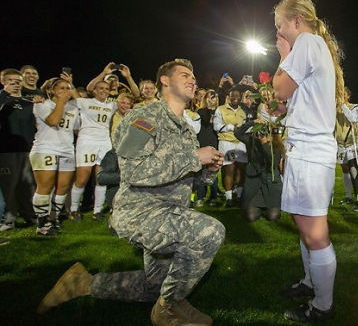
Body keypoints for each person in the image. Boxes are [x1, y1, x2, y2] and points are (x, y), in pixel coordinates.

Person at [37, 58, 225, 326]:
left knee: (155, 286)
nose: (192, 80)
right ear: (164, 80)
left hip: (171, 213)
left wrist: (209, 170)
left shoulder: (185, 130)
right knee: (209, 233)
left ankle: (82, 283)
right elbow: (134, 172)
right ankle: (169, 309)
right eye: (185, 75)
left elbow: (190, 177)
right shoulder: (143, 118)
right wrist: (194, 157)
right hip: (141, 212)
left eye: (193, 76)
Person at [271, 0, 342, 322]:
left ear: (296, 21)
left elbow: (279, 90)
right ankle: (310, 282)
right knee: (304, 225)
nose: (278, 34)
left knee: (315, 232)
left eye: (280, 26)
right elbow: (287, 104)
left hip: (312, 151)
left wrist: (283, 53)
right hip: (306, 149)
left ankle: (323, 305)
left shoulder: (306, 44)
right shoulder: (313, 47)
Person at [29, 74, 79, 235]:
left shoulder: (73, 108)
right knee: (45, 186)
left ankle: (54, 219)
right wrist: (61, 103)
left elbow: (77, 129)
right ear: (51, 90)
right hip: (45, 149)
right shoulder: (42, 104)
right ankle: (42, 224)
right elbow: (54, 121)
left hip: (67, 150)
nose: (66, 91)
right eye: (61, 88)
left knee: (63, 187)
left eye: (67, 88)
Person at [69, 79, 117, 222]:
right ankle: (73, 209)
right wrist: (103, 72)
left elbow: (134, 95)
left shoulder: (111, 105)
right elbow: (73, 91)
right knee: (82, 178)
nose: (103, 91)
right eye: (100, 88)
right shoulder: (85, 102)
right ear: (94, 90)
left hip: (104, 142)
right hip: (87, 142)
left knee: (101, 179)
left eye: (106, 89)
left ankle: (97, 211)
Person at [0, 69, 39, 231]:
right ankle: (9, 219)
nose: (15, 83)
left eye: (18, 80)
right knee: (9, 185)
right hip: (6, 149)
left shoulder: (29, 103)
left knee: (28, 184)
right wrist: (3, 94)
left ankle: (30, 215)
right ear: (3, 81)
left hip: (27, 149)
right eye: (11, 80)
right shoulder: (2, 99)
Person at [235, 118, 284, 221]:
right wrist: (253, 122)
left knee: (273, 216)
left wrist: (265, 145)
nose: (262, 134)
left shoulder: (276, 144)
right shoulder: (251, 141)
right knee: (251, 217)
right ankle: (256, 206)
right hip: (254, 182)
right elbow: (238, 134)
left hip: (270, 183)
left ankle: (269, 207)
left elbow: (273, 163)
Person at [214, 88, 247, 206]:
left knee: (241, 170)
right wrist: (231, 127)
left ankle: (238, 196)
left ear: (241, 97)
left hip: (241, 143)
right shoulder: (221, 109)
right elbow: (216, 126)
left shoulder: (243, 111)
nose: (235, 98)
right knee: (230, 170)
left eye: (238, 96)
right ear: (229, 96)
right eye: (233, 96)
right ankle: (228, 198)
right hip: (227, 142)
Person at [336, 87, 358, 212]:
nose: (340, 96)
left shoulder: (354, 107)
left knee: (354, 168)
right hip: (340, 144)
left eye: (343, 94)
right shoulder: (334, 109)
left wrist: (342, 105)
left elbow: (353, 118)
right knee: (345, 169)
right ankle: (348, 196)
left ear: (348, 96)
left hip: (353, 143)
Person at [195, 89, 221, 206]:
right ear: (205, 99)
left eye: (214, 97)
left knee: (213, 171)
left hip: (214, 143)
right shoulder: (201, 111)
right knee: (201, 172)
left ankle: (213, 197)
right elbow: (206, 121)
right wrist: (209, 108)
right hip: (203, 143)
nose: (212, 99)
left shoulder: (219, 111)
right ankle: (200, 197)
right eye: (209, 97)